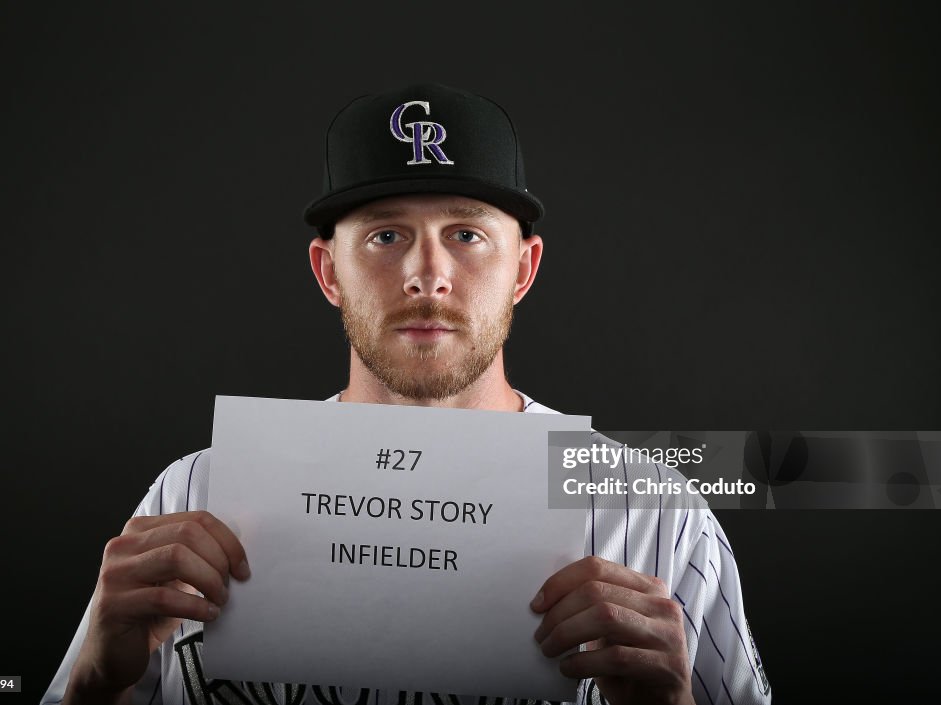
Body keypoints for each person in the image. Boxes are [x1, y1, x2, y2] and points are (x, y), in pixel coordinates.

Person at [44, 84, 771, 705]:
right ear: (329, 274)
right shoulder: (189, 495)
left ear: (524, 269)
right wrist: (93, 681)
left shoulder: (659, 519)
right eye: (387, 235)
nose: (429, 274)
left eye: (465, 232)